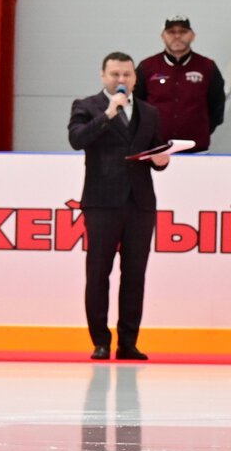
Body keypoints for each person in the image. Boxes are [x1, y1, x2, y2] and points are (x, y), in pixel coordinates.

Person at [68, 52, 172, 361]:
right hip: (101, 202)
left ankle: (129, 341)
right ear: (103, 76)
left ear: (135, 78)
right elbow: (77, 139)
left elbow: (156, 150)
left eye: (126, 75)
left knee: (135, 274)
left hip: (139, 203)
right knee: (99, 271)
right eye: (115, 74)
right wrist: (108, 114)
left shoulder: (149, 112)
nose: (121, 80)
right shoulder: (87, 107)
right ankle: (100, 340)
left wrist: (161, 160)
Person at [135, 17, 226, 153]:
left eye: (183, 31)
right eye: (171, 32)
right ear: (162, 36)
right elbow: (135, 105)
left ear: (193, 35)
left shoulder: (207, 67)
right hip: (154, 151)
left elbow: (217, 107)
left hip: (196, 150)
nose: (177, 36)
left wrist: (201, 130)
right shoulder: (147, 67)